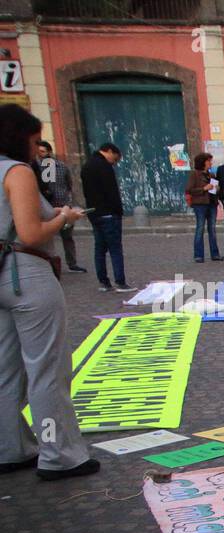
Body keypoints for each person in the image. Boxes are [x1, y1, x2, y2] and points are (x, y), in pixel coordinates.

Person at [0, 103, 98, 480]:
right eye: (35, 141)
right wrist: (62, 217)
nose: (38, 149)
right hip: (26, 275)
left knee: (6, 371)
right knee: (47, 372)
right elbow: (30, 233)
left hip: (1, 279)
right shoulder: (17, 171)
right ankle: (58, 453)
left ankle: (11, 447)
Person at [79, 142, 134, 293]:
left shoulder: (87, 165)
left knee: (100, 248)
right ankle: (120, 282)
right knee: (115, 248)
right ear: (109, 151)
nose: (115, 163)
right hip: (109, 213)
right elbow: (112, 192)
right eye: (115, 159)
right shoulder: (104, 166)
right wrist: (118, 211)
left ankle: (104, 282)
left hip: (94, 213)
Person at [35, 141, 85, 273]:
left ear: (50, 152)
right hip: (48, 208)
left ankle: (72, 263)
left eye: (43, 152)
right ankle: (50, 263)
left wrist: (68, 202)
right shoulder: (37, 168)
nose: (40, 155)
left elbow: (69, 184)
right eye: (39, 152)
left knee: (67, 237)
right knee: (48, 238)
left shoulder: (61, 167)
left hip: (63, 205)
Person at [184, 152, 220, 263]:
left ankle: (215, 254)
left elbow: (214, 190)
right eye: (209, 161)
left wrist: (216, 189)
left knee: (212, 229)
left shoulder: (211, 175)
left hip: (212, 204)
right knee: (200, 228)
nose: (210, 163)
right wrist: (204, 188)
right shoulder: (194, 175)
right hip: (200, 205)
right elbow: (189, 189)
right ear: (203, 162)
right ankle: (198, 255)